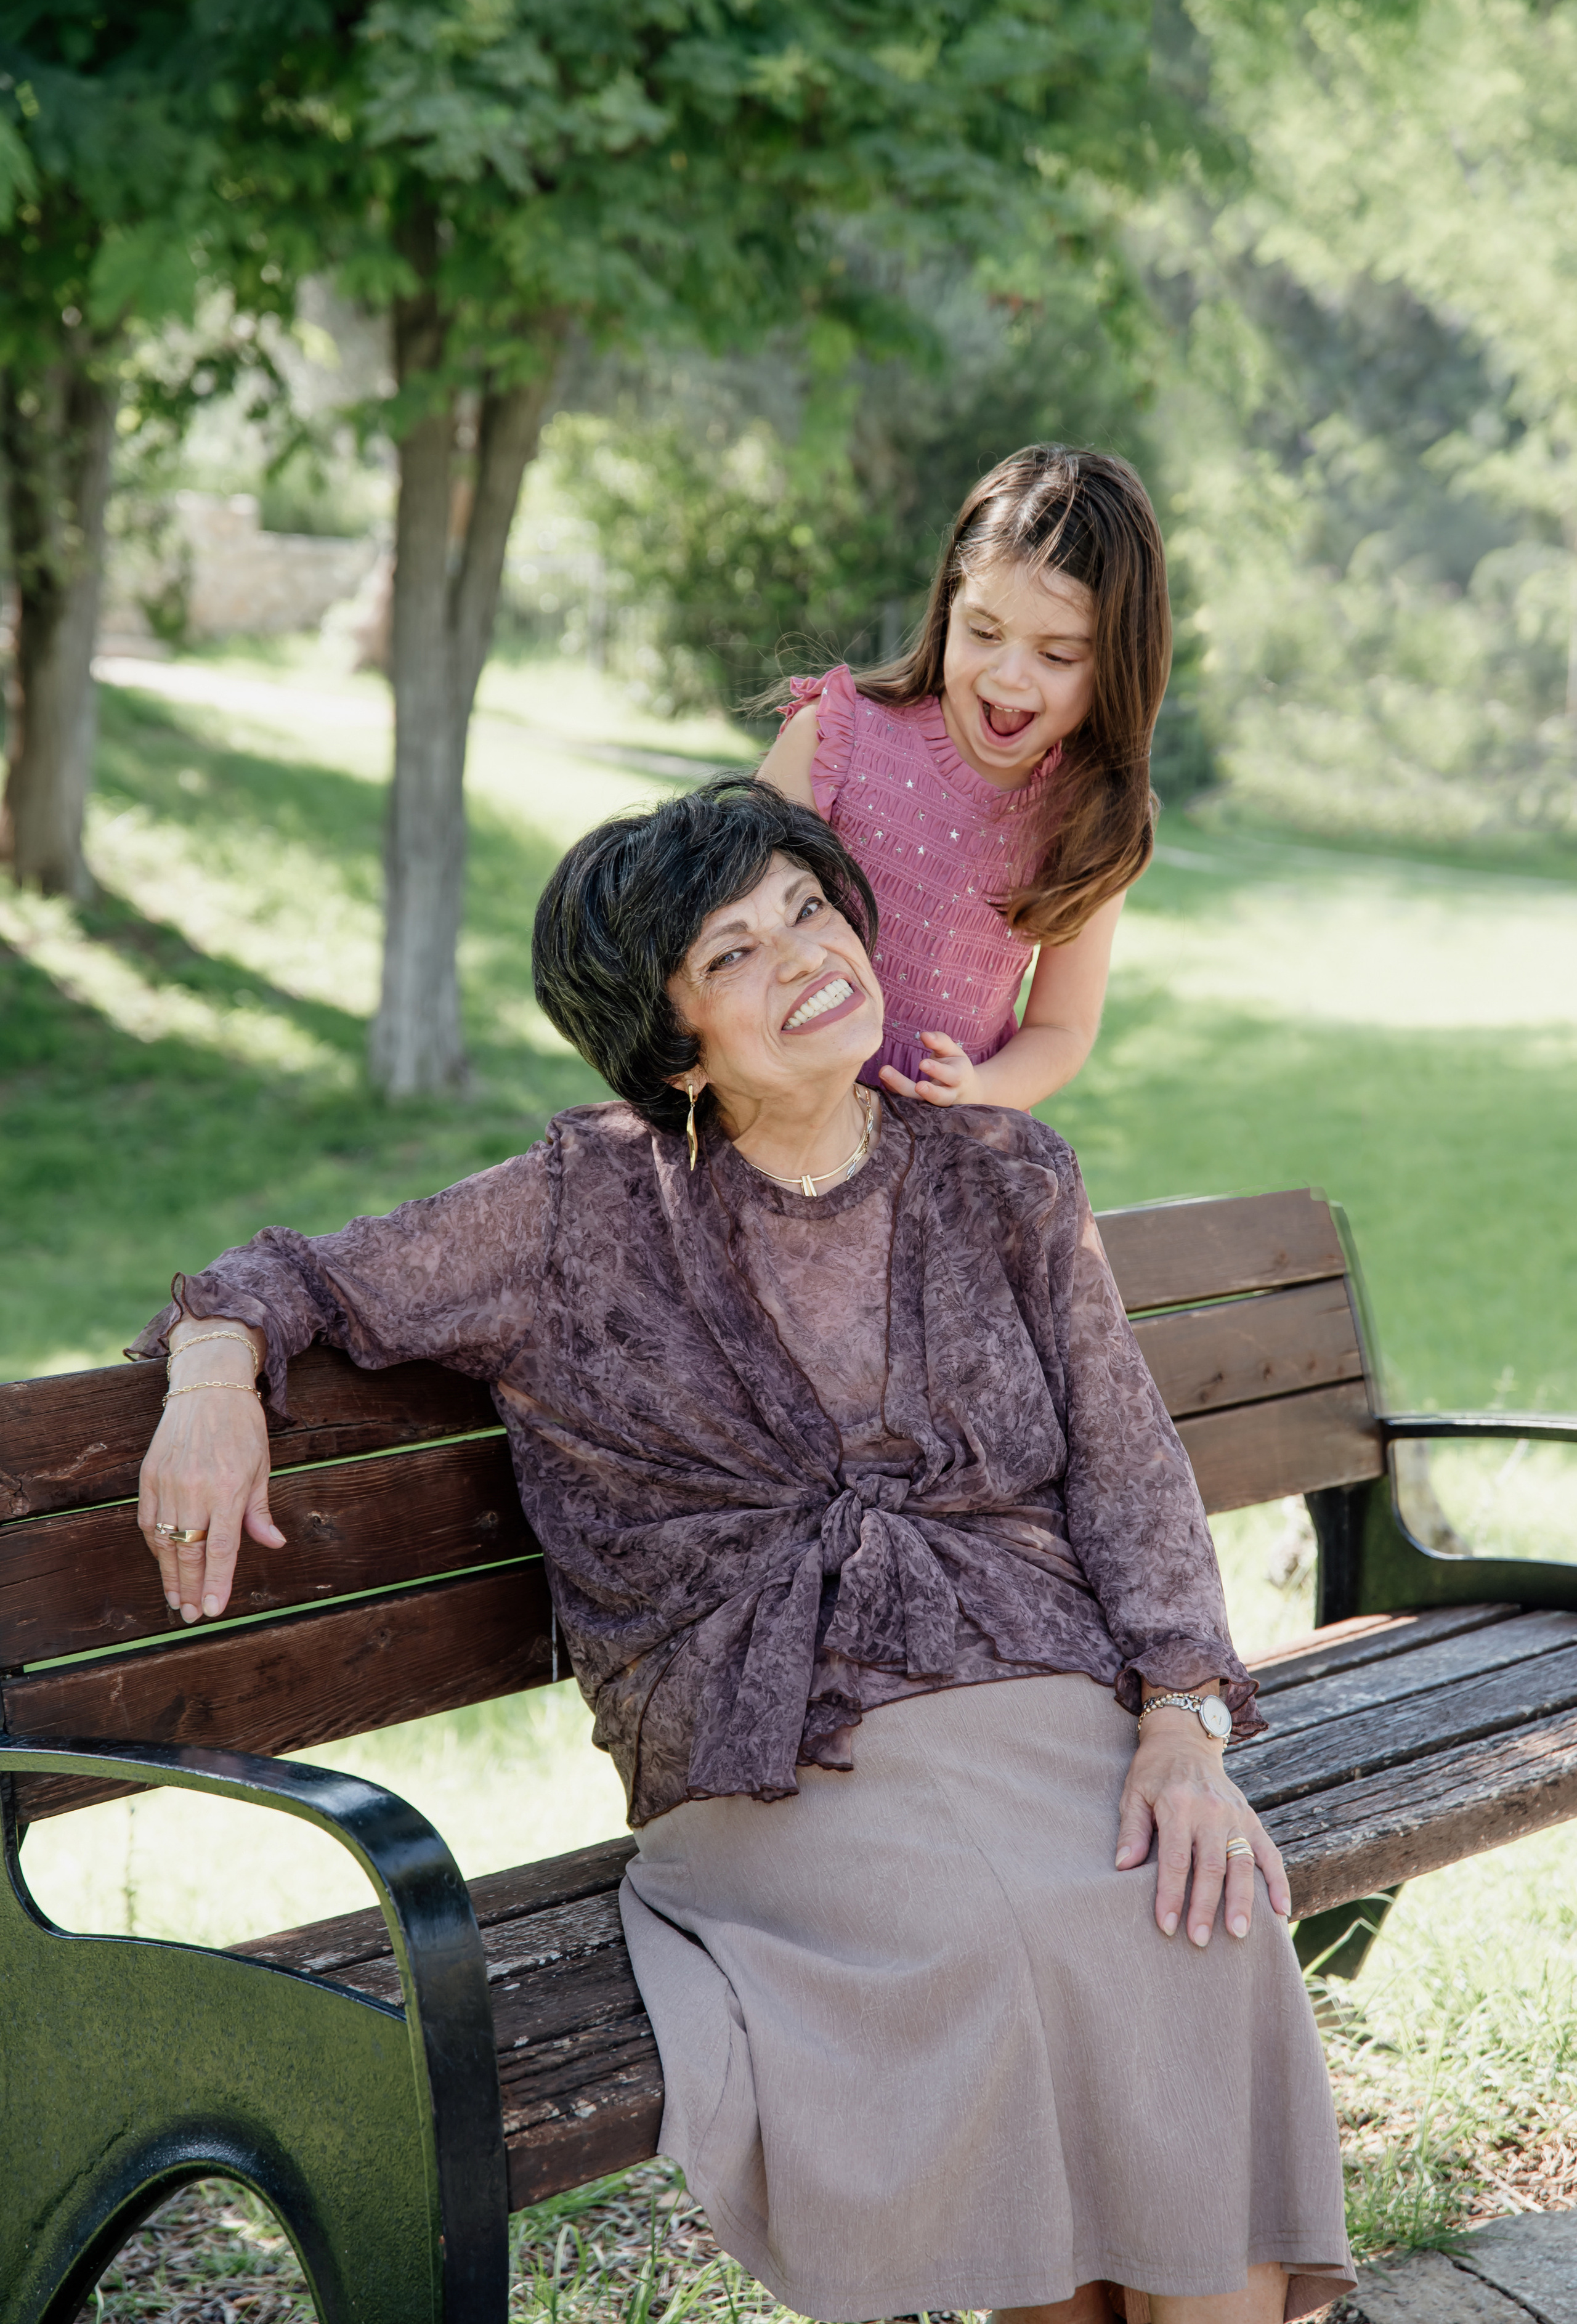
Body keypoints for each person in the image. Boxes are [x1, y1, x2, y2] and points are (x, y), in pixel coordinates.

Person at [132, 779, 1353, 2324]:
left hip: (1047, 1708)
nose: (805, 955)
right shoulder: (575, 1207)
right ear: (668, 1040)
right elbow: (294, 1272)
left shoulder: (1001, 1172)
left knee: (1187, 1905)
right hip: (773, 1759)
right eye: (732, 950)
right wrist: (208, 1373)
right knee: (1005, 1939)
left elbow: (1126, 1463)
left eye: (809, 908)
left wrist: (1182, 1720)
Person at [758, 442, 1166, 1113]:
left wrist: (982, 1088)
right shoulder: (835, 737)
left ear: (1115, 666)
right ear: (948, 609)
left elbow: (1061, 1029)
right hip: (784, 1105)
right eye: (983, 630)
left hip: (940, 1147)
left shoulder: (1093, 820)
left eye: (1056, 654)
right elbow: (723, 920)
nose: (1008, 675)